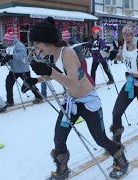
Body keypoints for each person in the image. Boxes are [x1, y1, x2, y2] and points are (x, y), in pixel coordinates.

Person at [26, 17, 129, 179]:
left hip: (88, 102)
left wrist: (48, 70)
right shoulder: (53, 55)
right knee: (59, 137)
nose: (35, 47)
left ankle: (121, 159)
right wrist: (36, 80)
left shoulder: (67, 53)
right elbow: (59, 76)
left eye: (36, 43)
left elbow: (72, 83)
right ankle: (62, 169)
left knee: (100, 138)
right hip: (71, 102)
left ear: (47, 40)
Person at [1, 28, 43, 106]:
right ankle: (10, 101)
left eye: (7, 40)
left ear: (10, 40)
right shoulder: (9, 46)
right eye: (5, 40)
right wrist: (5, 59)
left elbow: (22, 55)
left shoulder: (19, 45)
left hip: (23, 69)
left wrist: (11, 56)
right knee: (8, 83)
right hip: (14, 70)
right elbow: (8, 55)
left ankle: (39, 97)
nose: (5, 42)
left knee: (29, 84)